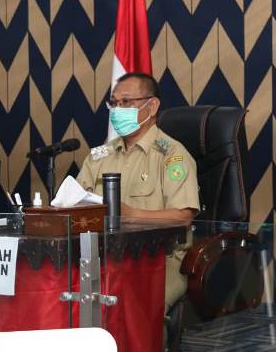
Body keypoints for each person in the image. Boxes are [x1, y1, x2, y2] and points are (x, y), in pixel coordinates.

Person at [76, 72, 200, 311]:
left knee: (128, 311)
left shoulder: (172, 155)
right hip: (104, 259)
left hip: (157, 261)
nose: (117, 110)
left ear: (151, 106)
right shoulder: (99, 156)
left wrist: (130, 215)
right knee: (69, 303)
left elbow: (183, 217)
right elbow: (76, 203)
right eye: (114, 103)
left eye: (126, 102)